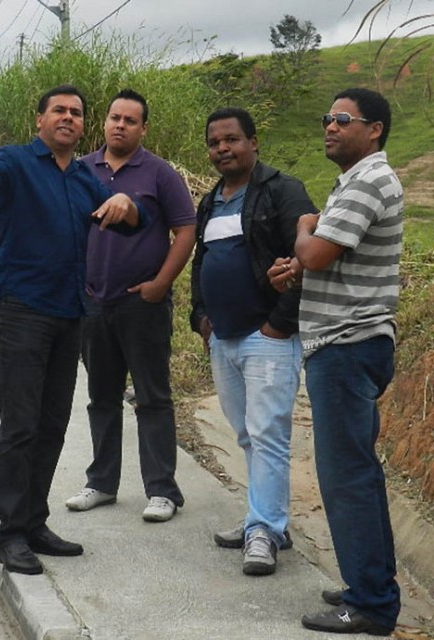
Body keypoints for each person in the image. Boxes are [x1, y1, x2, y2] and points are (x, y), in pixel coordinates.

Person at [0, 84, 149, 576]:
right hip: (20, 310)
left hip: (69, 314)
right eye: (58, 110)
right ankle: (11, 533)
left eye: (77, 113)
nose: (68, 117)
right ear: (39, 119)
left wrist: (128, 204)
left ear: (84, 125)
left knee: (53, 422)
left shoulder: (84, 177)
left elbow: (123, 215)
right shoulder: (16, 161)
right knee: (20, 425)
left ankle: (34, 522)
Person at [269, 88, 403, 636]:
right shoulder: (355, 181)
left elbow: (318, 249)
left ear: (374, 129)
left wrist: (304, 229)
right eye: (327, 117)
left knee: (347, 477)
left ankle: (370, 603)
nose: (329, 125)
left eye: (342, 119)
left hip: (347, 346)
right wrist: (297, 266)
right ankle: (366, 583)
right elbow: (324, 261)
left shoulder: (369, 179)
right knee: (354, 474)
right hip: (345, 344)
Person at [190, 107, 316, 575]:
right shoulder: (211, 202)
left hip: (267, 338)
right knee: (246, 434)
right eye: (214, 142)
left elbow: (305, 260)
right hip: (223, 340)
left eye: (232, 140)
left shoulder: (282, 191)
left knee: (267, 435)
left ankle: (264, 528)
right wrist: (199, 316)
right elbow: (201, 264)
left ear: (253, 142)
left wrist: (280, 324)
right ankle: (262, 521)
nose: (222, 149)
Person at [64, 89, 195, 523]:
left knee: (152, 397)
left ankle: (162, 490)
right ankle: (101, 483)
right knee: (101, 397)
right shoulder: (82, 170)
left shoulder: (159, 173)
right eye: (114, 118)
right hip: (93, 304)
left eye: (130, 120)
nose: (120, 125)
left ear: (143, 128)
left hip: (143, 304)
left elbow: (186, 230)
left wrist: (161, 283)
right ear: (104, 123)